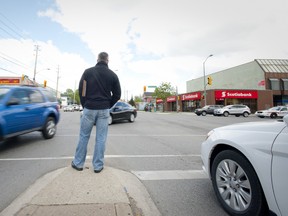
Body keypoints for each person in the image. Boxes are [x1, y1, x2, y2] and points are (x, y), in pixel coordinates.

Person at [71, 52, 121, 173]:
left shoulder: (87, 72)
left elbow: (81, 91)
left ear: (97, 59)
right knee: (101, 138)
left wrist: (85, 104)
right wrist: (107, 105)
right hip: (104, 110)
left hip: (89, 108)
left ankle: (78, 163)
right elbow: (117, 94)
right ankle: (98, 166)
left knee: (84, 136)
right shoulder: (113, 75)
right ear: (107, 60)